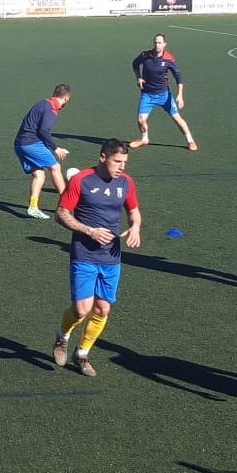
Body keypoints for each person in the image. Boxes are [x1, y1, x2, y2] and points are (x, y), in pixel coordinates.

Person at [52, 139, 143, 377]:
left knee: (102, 309)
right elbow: (61, 214)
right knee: (82, 311)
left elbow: (133, 212)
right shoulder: (81, 180)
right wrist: (89, 230)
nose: (122, 167)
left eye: (124, 162)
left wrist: (135, 228)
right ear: (103, 158)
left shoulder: (126, 182)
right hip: (84, 254)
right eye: (117, 161)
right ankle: (62, 337)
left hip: (111, 257)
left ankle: (82, 354)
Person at [130, 34, 198, 152]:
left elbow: (178, 77)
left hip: (164, 95)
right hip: (147, 94)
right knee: (141, 120)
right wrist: (138, 77)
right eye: (155, 42)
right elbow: (135, 64)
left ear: (164, 44)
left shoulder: (168, 59)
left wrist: (180, 95)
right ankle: (144, 139)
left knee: (177, 118)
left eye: (159, 43)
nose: (157, 45)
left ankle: (190, 140)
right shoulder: (145, 55)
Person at [14, 84, 72, 219]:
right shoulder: (51, 110)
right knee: (55, 167)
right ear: (66, 97)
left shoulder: (42, 103)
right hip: (30, 144)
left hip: (19, 144)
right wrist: (55, 148)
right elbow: (43, 131)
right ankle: (66, 204)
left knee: (39, 175)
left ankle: (33, 207)